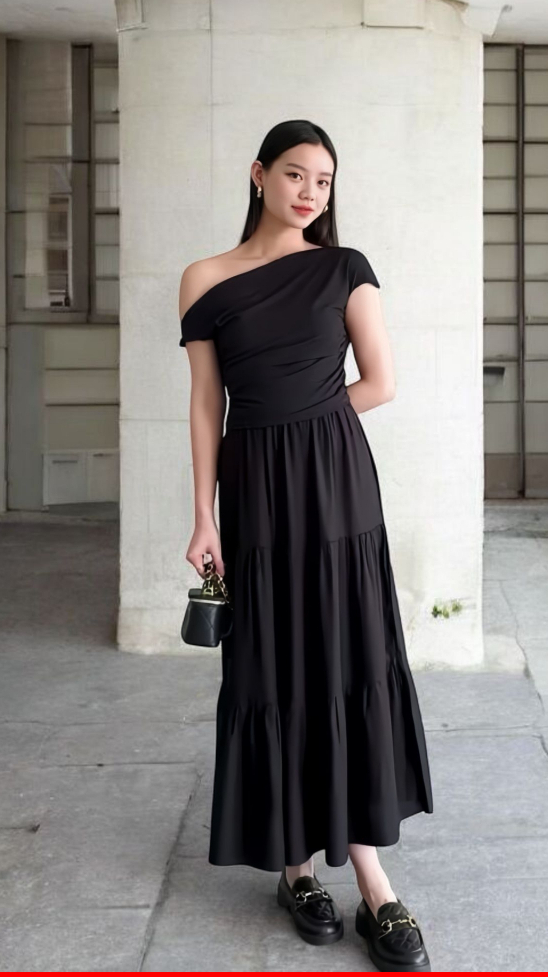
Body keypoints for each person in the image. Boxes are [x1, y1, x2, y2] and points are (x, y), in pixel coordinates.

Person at [178, 119, 434, 973]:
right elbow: (205, 402)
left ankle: (372, 879)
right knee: (273, 663)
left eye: (323, 181)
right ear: (259, 174)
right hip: (253, 489)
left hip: (336, 483)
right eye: (295, 174)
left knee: (345, 657)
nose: (310, 193)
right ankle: (294, 870)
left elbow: (381, 383)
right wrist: (205, 514)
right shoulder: (205, 279)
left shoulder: (343, 267)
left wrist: (303, 425)